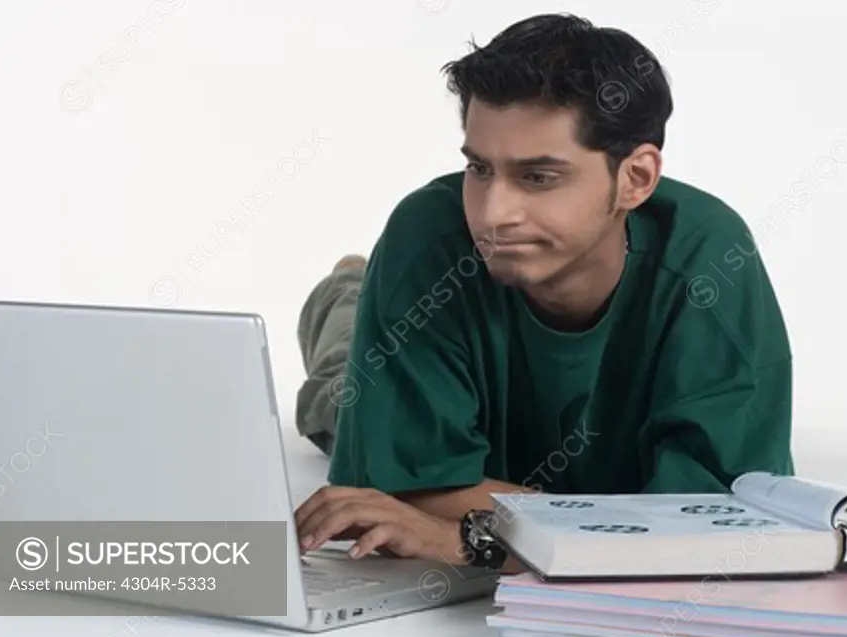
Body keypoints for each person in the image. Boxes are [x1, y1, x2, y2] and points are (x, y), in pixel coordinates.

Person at [293, 13, 794, 573]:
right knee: (338, 395)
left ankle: (353, 291)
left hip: (491, 453)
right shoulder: (428, 239)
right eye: (480, 169)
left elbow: (713, 528)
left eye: (538, 177)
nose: (492, 213)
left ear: (635, 179)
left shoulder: (710, 258)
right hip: (409, 342)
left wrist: (469, 538)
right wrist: (613, 527)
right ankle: (348, 292)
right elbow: (387, 499)